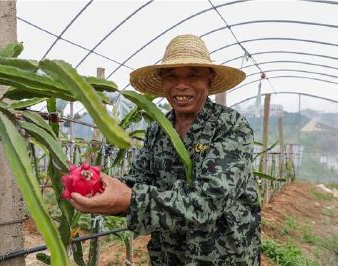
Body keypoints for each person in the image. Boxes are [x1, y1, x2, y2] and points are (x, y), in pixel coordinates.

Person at [69, 34, 260, 265]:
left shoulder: (230, 126)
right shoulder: (158, 131)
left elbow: (210, 200)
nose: (181, 85)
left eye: (193, 74)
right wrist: (101, 187)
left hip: (223, 256)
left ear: (209, 79)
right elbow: (138, 181)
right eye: (171, 76)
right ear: (162, 82)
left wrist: (129, 200)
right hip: (169, 256)